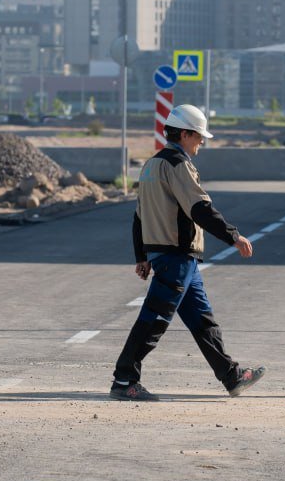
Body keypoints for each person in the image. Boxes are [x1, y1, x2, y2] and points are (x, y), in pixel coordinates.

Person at [112, 104, 265, 401]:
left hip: (175, 258)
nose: (201, 143)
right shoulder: (177, 165)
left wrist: (141, 256)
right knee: (154, 319)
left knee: (202, 321)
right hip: (176, 257)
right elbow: (199, 208)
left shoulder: (150, 165)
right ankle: (124, 380)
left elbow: (139, 217)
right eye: (198, 137)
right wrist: (233, 237)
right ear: (184, 134)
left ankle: (231, 376)